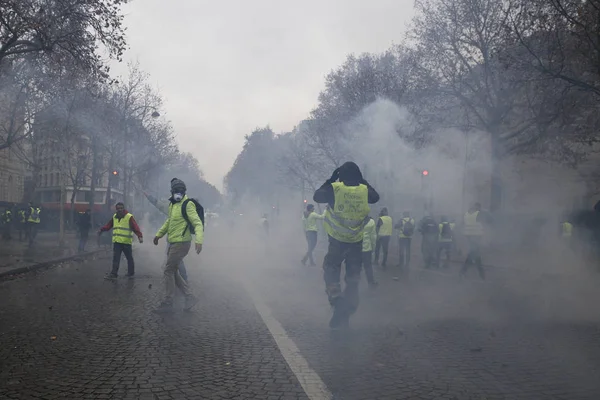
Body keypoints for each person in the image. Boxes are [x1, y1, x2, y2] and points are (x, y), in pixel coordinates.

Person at [313, 161, 379, 329]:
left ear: (340, 176)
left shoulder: (335, 189)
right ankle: (345, 314)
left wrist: (331, 179)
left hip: (336, 242)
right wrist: (362, 181)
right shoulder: (364, 191)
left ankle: (337, 301)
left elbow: (317, 196)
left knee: (330, 272)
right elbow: (375, 197)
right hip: (356, 243)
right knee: (353, 280)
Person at [153, 178, 203, 313]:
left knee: (168, 269)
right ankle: (189, 296)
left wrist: (199, 240)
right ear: (172, 191)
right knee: (173, 270)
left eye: (180, 191)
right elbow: (169, 221)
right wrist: (159, 234)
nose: (178, 193)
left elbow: (197, 223)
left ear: (184, 191)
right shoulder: (173, 205)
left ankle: (168, 301)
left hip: (182, 243)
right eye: (176, 190)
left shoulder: (188, 204)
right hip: (173, 242)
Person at [143, 189, 189, 282]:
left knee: (176, 259)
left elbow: (158, 204)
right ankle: (176, 277)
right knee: (172, 257)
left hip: (176, 239)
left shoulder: (173, 208)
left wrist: (149, 196)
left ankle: (181, 279)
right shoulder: (184, 207)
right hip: (177, 239)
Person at [99, 202, 143, 280]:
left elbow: (135, 227)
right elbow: (109, 225)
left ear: (124, 208)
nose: (120, 210)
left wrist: (139, 236)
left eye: (121, 208)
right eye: (118, 208)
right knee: (116, 258)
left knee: (129, 258)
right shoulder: (115, 217)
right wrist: (101, 230)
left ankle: (131, 272)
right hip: (117, 242)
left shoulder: (129, 217)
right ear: (116, 209)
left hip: (126, 242)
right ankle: (114, 274)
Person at [460, 202, 490, 280]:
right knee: (475, 256)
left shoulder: (471, 214)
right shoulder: (477, 215)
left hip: (473, 238)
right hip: (473, 238)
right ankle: (481, 274)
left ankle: (463, 272)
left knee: (473, 256)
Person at [362, 216, 378, 287]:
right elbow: (373, 236)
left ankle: (354, 283)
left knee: (355, 266)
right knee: (368, 266)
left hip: (355, 248)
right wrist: (373, 247)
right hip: (367, 248)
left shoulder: (354, 220)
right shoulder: (371, 222)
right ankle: (370, 282)